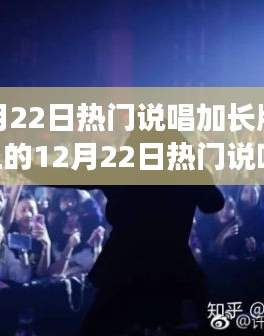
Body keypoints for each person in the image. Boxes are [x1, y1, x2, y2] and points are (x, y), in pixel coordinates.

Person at [21, 129, 225, 334]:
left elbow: (67, 175)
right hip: (171, 266)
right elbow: (214, 203)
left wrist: (26, 167)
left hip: (124, 266)